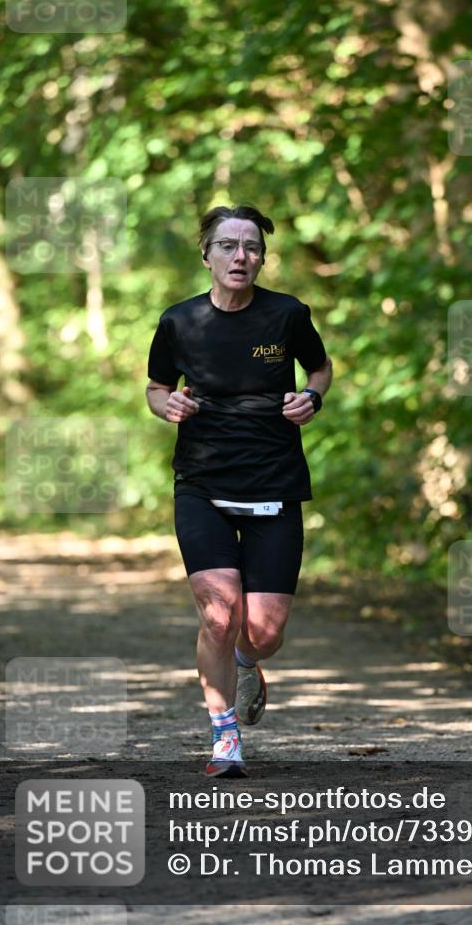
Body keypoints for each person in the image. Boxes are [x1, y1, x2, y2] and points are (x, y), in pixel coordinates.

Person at [146, 204, 332, 776]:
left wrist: (312, 397)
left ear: (262, 258)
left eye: (251, 247)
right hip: (201, 481)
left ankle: (249, 661)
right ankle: (224, 738)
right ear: (206, 255)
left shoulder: (287, 315)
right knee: (220, 617)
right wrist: (167, 405)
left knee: (262, 632)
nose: (240, 256)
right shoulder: (179, 321)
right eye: (228, 246)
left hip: (274, 480)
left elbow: (319, 369)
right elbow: (156, 387)